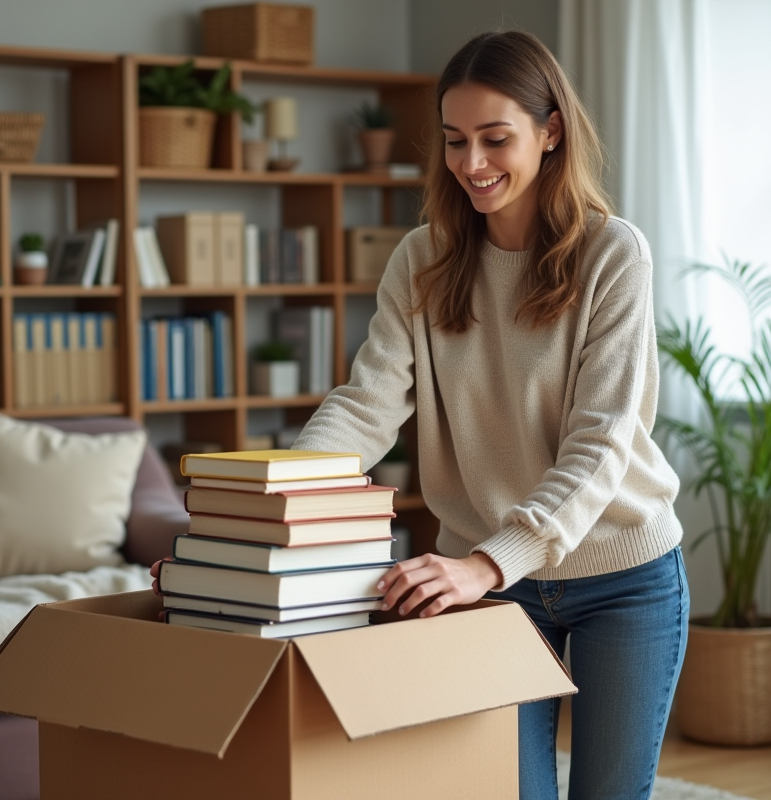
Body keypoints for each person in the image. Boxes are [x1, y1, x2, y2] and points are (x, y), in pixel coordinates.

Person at [286, 29, 688, 800]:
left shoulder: (613, 255)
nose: (472, 164)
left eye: (495, 138)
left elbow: (600, 445)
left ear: (550, 131)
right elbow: (365, 408)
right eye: (455, 140)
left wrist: (486, 560)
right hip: (493, 591)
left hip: (622, 575)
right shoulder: (422, 260)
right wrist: (263, 517)